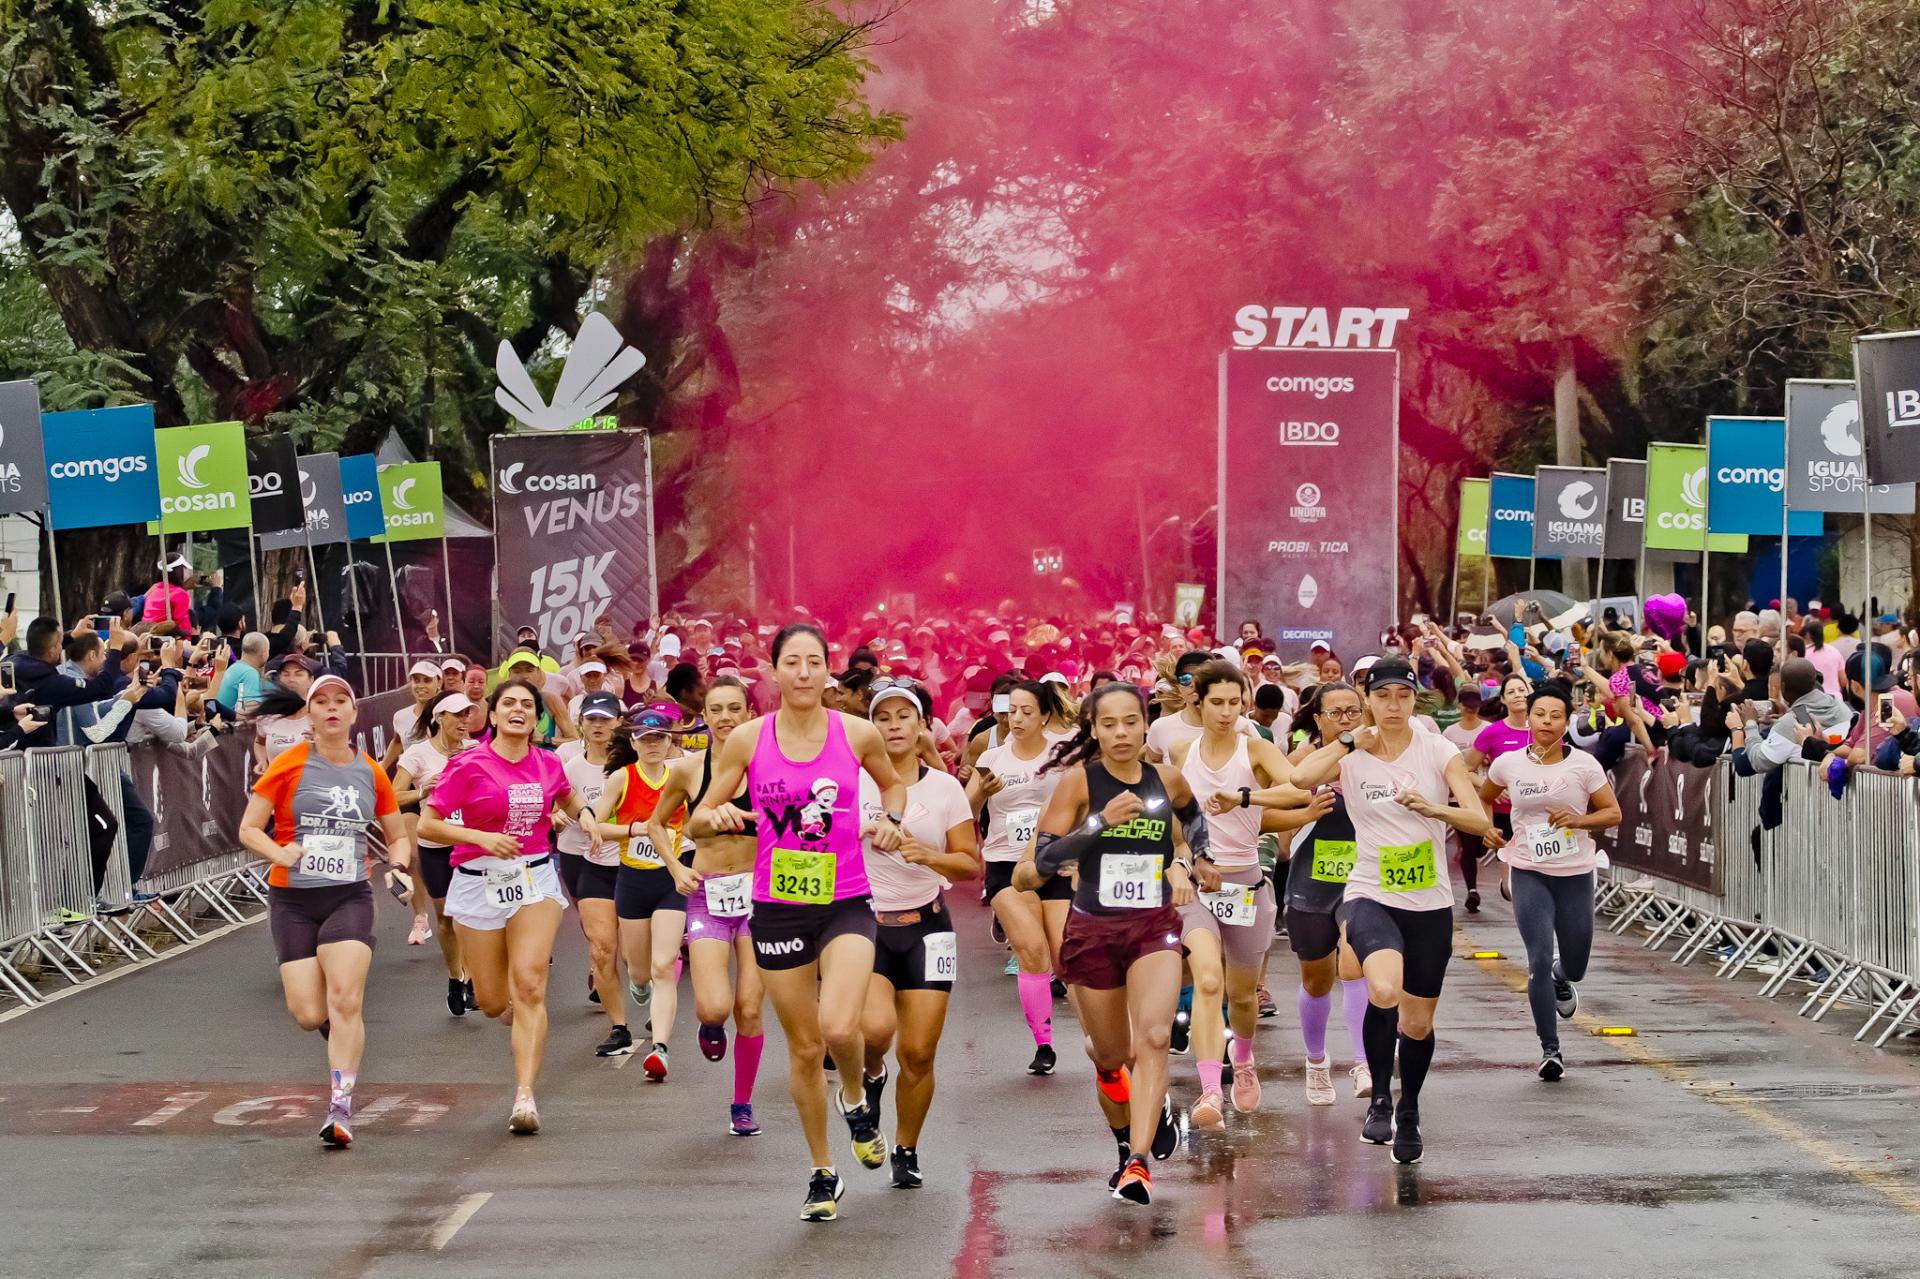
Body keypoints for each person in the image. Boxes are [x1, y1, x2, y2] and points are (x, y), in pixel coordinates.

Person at [688, 622, 906, 1223]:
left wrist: (888, 819)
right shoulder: (749, 740)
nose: (805, 672)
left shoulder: (857, 733)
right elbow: (697, 820)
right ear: (775, 672)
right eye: (793, 662)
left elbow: (892, 787)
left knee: (839, 1026)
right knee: (805, 1048)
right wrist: (720, 816)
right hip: (779, 905)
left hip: (846, 900)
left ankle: (858, 1101)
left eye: (815, 662)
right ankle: (822, 1172)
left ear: (828, 671)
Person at [1288, 658, 1493, 1165]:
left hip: (1428, 902)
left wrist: (1434, 808)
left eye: (1403, 695)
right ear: (1369, 700)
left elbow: (1477, 815)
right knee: (1382, 988)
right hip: (1370, 891)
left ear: (1415, 698)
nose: (1394, 705)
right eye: (1384, 697)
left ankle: (1410, 1108)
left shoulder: (1437, 749)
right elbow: (1299, 777)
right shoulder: (1353, 751)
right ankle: (1380, 1096)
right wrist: (1347, 740)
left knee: (1418, 1024)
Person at [1016, 682, 1210, 1206]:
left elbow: (1193, 816)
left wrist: (1197, 860)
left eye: (1130, 722)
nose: (1121, 733)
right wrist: (1101, 822)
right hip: (1094, 929)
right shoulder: (1079, 783)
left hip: (1152, 926)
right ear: (1094, 730)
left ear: (1146, 724)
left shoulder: (1167, 777)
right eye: (1109, 724)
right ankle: (1128, 1134)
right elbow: (1040, 864)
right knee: (1111, 1055)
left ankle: (1138, 1163)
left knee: (1152, 1040)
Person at [237, 674, 410, 1149]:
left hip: (348, 895)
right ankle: (342, 1036)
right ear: (310, 715)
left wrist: (398, 865)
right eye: (322, 703)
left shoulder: (372, 772)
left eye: (341, 702)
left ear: (355, 715)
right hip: (293, 898)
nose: (332, 709)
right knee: (310, 1013)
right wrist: (279, 852)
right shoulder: (288, 764)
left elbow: (396, 833)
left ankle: (340, 1106)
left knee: (345, 998)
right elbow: (249, 828)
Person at [419, 679, 597, 1134]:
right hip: (478, 882)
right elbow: (430, 825)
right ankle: (514, 1011)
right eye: (508, 704)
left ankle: (525, 1097)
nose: (518, 710)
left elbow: (567, 796)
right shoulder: (467, 764)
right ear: (492, 716)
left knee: (531, 983)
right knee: (493, 999)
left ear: (535, 718)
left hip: (533, 877)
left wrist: (588, 818)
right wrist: (480, 838)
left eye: (527, 705)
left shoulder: (548, 762)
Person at [856, 679, 980, 1189]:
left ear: (922, 725)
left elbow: (970, 865)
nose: (892, 727)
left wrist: (926, 854)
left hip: (929, 928)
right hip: (864, 925)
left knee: (921, 1052)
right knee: (876, 1031)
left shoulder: (945, 788)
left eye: (902, 716)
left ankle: (906, 1149)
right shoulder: (852, 783)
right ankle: (870, 1074)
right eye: (882, 718)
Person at [648, 675, 768, 1135]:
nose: (724, 718)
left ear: (749, 715)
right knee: (714, 1008)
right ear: (705, 716)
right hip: (707, 895)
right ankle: (710, 1026)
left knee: (751, 1009)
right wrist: (677, 869)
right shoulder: (689, 771)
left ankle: (741, 1104)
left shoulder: (765, 770)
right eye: (716, 709)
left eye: (733, 709)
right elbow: (657, 824)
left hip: (762, 896)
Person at [1482, 685, 1621, 1079]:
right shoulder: (1508, 764)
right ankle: (1550, 1050)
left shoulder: (1584, 766)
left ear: (1566, 720)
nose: (1546, 722)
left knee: (1574, 964)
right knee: (1538, 959)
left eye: (1555, 716)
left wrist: (1579, 820)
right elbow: (1483, 797)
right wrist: (1487, 830)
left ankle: (1564, 979)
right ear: (1529, 717)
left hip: (1575, 872)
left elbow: (1613, 813)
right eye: (1539, 714)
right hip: (1528, 870)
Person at [1178, 661, 1294, 1126]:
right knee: (1208, 980)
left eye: (1234, 702)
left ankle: (1242, 1062)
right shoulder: (1180, 752)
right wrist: (1182, 862)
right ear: (1198, 702)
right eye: (1217, 703)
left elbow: (1296, 792)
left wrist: (1246, 799)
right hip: (1197, 887)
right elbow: (1174, 819)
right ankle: (1209, 1091)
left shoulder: (1256, 750)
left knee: (1243, 997)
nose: (1226, 712)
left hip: (1246, 884)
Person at [1268, 682, 1370, 1100]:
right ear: (1318, 719)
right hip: (1311, 881)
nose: (1345, 720)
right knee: (1316, 981)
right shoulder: (1303, 761)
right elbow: (1268, 808)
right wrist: (1293, 826)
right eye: (1336, 713)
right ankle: (1316, 1062)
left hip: (1363, 879)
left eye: (1353, 712)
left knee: (1355, 964)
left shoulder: (1374, 758)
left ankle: (1365, 1064)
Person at [967, 680, 1075, 1074]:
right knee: (1032, 951)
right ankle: (1043, 1045)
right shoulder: (992, 758)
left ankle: (1100, 1038)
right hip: (1006, 866)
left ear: (1045, 714)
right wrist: (982, 792)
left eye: (1027, 711)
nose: (1017, 718)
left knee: (1065, 956)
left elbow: (1083, 802)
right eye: (1012, 711)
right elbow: (963, 811)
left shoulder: (1063, 755)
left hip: (1053, 863)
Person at [593, 705, 690, 1080]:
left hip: (670, 879)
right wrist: (636, 830)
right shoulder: (621, 778)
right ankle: (637, 983)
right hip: (632, 881)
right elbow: (599, 825)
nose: (653, 746)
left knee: (664, 965)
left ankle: (660, 1049)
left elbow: (695, 820)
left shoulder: (681, 777)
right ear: (633, 743)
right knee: (638, 968)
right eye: (645, 740)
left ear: (669, 743)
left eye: (659, 739)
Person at [393, 691, 478, 1016]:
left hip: (469, 841)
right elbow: (391, 796)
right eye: (456, 715)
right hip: (436, 846)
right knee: (445, 918)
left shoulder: (476, 750)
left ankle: (471, 980)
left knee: (468, 914)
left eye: (466, 715)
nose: (463, 721)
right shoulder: (419, 754)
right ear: (440, 718)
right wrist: (422, 791)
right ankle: (455, 978)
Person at [555, 691, 631, 1057]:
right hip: (587, 860)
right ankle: (618, 1026)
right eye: (591, 719)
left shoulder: (635, 761)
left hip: (637, 865)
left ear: (619, 721)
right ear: (581, 725)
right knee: (601, 945)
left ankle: (642, 983)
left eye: (605, 719)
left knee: (635, 955)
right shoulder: (570, 768)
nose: (598, 725)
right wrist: (556, 817)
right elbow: (553, 804)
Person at [1459, 673, 1532, 913]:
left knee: (1534, 876)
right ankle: (1508, 885)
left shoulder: (1544, 730)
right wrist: (1487, 785)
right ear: (1503, 700)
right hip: (1503, 814)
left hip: (1534, 813)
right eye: (1511, 692)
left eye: (1521, 690)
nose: (1518, 695)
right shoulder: (1493, 732)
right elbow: (1463, 769)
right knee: (1514, 890)